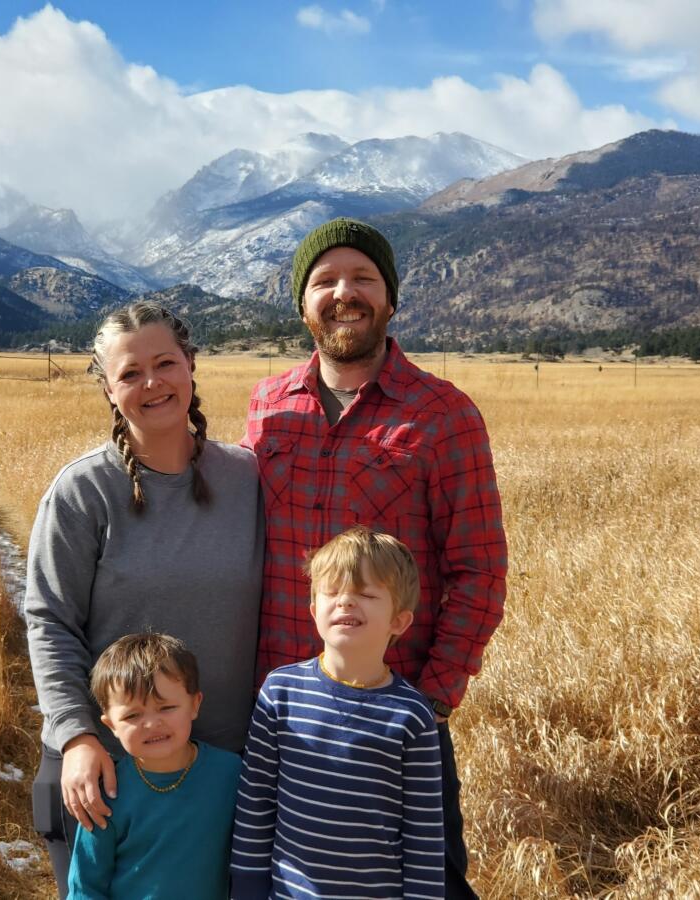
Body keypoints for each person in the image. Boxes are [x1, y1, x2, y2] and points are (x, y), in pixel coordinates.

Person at [242, 217, 507, 898]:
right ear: (302, 302)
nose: (344, 293)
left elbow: (480, 570)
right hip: (280, 716)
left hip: (391, 723)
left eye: (363, 278)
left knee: (423, 883)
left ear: (390, 299)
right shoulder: (268, 407)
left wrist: (434, 698)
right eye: (325, 280)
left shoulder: (444, 415)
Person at [24, 301, 264, 895]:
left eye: (165, 363)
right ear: (108, 389)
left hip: (220, 775)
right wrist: (77, 735)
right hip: (106, 771)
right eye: (130, 373)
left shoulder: (247, 480)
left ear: (191, 367)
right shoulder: (83, 492)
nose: (151, 382)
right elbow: (49, 620)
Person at [230, 526, 445, 899]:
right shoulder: (280, 692)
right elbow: (256, 804)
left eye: (365, 594)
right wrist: (246, 889)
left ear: (399, 620)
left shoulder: (412, 715)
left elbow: (423, 833)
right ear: (314, 611)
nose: (345, 603)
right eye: (332, 593)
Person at [68, 632, 242, 900]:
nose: (151, 724)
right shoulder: (105, 794)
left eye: (167, 707)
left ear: (195, 704)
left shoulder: (232, 775)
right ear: (110, 725)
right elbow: (86, 886)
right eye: (133, 715)